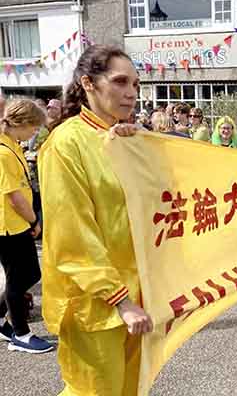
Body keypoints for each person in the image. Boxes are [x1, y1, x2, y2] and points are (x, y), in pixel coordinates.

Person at [39, 44, 153, 395]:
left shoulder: (122, 138)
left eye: (135, 84)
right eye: (120, 82)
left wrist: (139, 146)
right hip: (94, 302)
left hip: (137, 292)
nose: (131, 93)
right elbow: (72, 235)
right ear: (88, 83)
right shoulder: (65, 144)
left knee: (131, 389)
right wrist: (120, 299)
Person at [0, 99, 53, 354]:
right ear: (20, 124)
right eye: (33, 127)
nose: (35, 132)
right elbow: (14, 196)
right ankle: (21, 334)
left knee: (30, 274)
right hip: (9, 226)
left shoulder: (12, 147)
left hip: (16, 222)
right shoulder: (3, 152)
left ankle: (2, 319)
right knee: (19, 278)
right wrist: (34, 220)